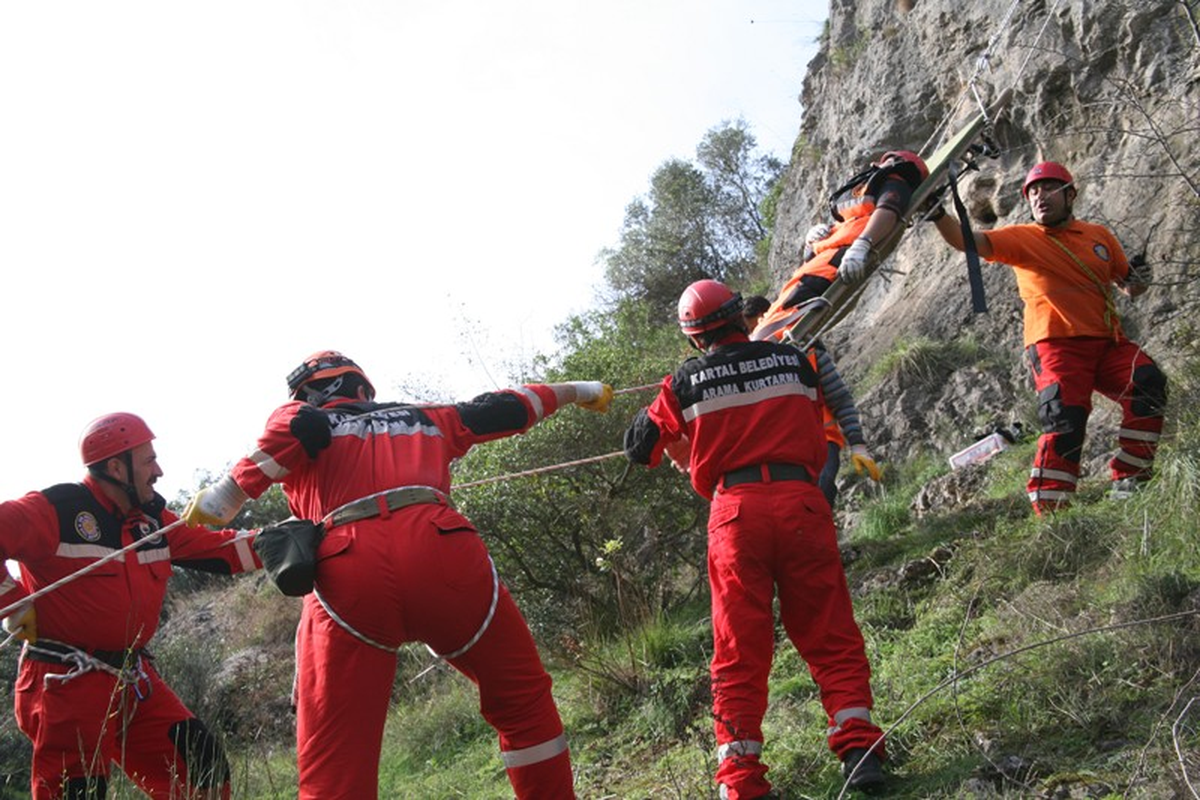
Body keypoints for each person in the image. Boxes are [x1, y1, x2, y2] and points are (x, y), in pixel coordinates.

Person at [182, 350, 614, 800]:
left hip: (348, 570)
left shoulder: (300, 418)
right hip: (444, 550)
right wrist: (581, 390)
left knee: (334, 762)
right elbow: (506, 406)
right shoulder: (423, 417)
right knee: (524, 704)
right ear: (364, 389)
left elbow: (293, 429)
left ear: (306, 396)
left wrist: (227, 494)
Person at [624, 281, 886, 798]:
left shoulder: (683, 383)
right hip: (801, 500)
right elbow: (817, 404)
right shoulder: (793, 361)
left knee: (738, 647)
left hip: (736, 514)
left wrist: (683, 430)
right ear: (740, 317)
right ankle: (860, 750)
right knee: (829, 628)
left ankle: (742, 780)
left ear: (694, 337)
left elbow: (638, 447)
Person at [0, 412, 260, 799]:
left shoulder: (152, 522)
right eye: (149, 460)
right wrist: (11, 600)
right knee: (78, 792)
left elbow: (220, 550)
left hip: (133, 679)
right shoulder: (56, 509)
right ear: (116, 467)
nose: (159, 470)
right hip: (66, 681)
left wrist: (288, 542)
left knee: (201, 765)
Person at [931, 160, 1167, 514]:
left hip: (1108, 343)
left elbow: (1130, 287)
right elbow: (965, 240)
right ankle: (1052, 514)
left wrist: (1140, 277)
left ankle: (1131, 478)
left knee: (1148, 383)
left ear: (1070, 194)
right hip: (1056, 346)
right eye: (1033, 192)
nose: (1039, 197)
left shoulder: (1098, 236)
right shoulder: (1023, 238)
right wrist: (937, 214)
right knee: (1065, 422)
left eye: (1048, 189)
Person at [753, 150, 929, 343]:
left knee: (778, 326)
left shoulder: (896, 182)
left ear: (899, 162)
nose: (876, 165)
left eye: (886, 161)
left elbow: (888, 210)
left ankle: (761, 354)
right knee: (773, 320)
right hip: (818, 264)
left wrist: (863, 244)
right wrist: (813, 241)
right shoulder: (864, 196)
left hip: (836, 261)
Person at [745, 296, 881, 506]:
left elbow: (840, 399)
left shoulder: (808, 349)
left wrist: (857, 444)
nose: (751, 335)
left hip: (822, 442)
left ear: (765, 318)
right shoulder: (747, 366)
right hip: (782, 451)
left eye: (751, 328)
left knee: (818, 493)